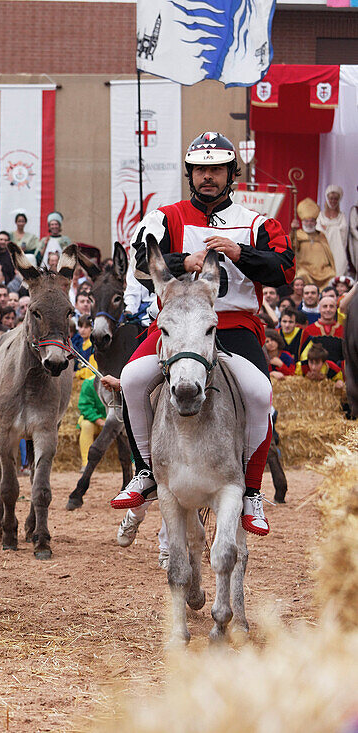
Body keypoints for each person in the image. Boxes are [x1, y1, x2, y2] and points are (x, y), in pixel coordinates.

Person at [111, 131, 294, 541]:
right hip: (178, 326)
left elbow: (284, 270)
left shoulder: (258, 222)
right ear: (190, 175)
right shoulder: (166, 217)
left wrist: (239, 252)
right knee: (133, 381)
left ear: (231, 173)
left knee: (261, 395)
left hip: (236, 326)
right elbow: (141, 263)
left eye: (216, 169)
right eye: (200, 170)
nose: (207, 176)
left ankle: (250, 491)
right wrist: (182, 260)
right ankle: (145, 471)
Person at [291, 198, 335, 289]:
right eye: (306, 221)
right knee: (301, 275)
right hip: (305, 268)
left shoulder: (321, 235)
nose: (309, 223)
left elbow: (328, 254)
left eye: (311, 221)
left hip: (322, 269)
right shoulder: (298, 234)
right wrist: (293, 230)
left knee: (331, 274)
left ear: (315, 222)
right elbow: (292, 247)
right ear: (302, 222)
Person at [318, 184, 348, 278]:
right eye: (331, 198)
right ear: (327, 198)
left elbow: (343, 230)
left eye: (335, 199)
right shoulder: (321, 215)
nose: (333, 201)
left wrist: (329, 228)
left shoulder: (341, 216)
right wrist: (333, 228)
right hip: (323, 249)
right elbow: (318, 230)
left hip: (337, 249)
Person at [77, 375, 107, 470]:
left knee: (129, 426)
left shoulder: (120, 382)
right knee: (86, 425)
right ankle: (86, 464)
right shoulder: (89, 383)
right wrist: (99, 421)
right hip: (94, 420)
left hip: (113, 420)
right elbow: (85, 407)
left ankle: (134, 463)